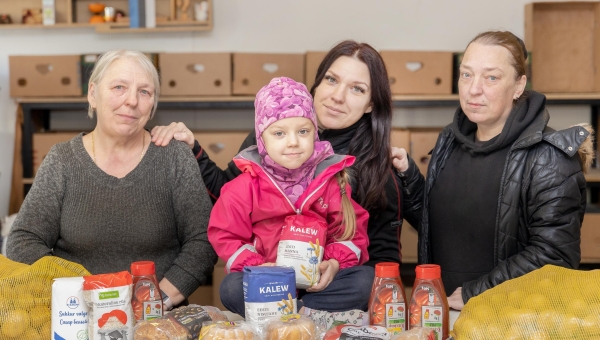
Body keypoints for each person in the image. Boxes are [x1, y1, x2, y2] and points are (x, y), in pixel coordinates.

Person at [151, 40, 425, 267]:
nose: (337, 96)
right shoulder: (272, 134)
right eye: (331, 79)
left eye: (357, 89)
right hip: (270, 280)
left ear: (370, 105)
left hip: (335, 286)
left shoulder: (376, 165)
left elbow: (383, 256)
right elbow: (229, 193)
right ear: (317, 84)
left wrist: (338, 274)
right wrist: (193, 151)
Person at [7, 50, 217, 309]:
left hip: (157, 320)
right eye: (119, 87)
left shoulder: (174, 156)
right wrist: (84, 296)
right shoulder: (62, 160)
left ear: (152, 105)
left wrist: (155, 301)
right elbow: (23, 241)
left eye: (144, 92)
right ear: (93, 94)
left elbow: (203, 241)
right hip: (78, 316)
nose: (131, 101)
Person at [419, 31, 593, 310]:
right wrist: (407, 179)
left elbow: (555, 256)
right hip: (441, 313)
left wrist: (473, 294)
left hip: (511, 319)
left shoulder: (549, 156)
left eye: (491, 77)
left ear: (518, 85)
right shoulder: (449, 141)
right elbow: (443, 224)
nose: (474, 89)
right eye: (466, 74)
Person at [208, 76, 371, 316]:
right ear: (261, 139)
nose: (293, 142)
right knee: (231, 288)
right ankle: (302, 313)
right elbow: (225, 235)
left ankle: (295, 312)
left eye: (303, 131)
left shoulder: (330, 181)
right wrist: (259, 267)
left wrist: (333, 264)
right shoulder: (243, 187)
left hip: (319, 284)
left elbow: (352, 233)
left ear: (314, 134)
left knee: (367, 280)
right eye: (279, 133)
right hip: (268, 282)